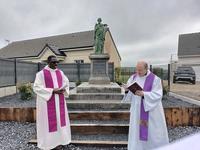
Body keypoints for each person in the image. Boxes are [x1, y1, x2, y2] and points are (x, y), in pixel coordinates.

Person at [122, 61, 169, 150]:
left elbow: (158, 95)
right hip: (137, 110)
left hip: (151, 111)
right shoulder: (133, 77)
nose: (138, 72)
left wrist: (144, 94)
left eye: (140, 70)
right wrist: (127, 90)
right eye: (137, 70)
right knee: (136, 130)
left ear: (146, 69)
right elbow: (129, 93)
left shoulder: (155, 79)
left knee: (152, 132)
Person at [33, 55, 71, 150]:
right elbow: (36, 87)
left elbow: (66, 82)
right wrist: (53, 91)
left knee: (60, 121)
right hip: (47, 103)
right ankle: (49, 143)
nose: (56, 64)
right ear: (48, 62)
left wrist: (63, 88)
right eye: (54, 62)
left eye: (57, 62)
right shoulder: (41, 74)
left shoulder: (60, 72)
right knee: (48, 123)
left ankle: (62, 140)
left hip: (59, 102)